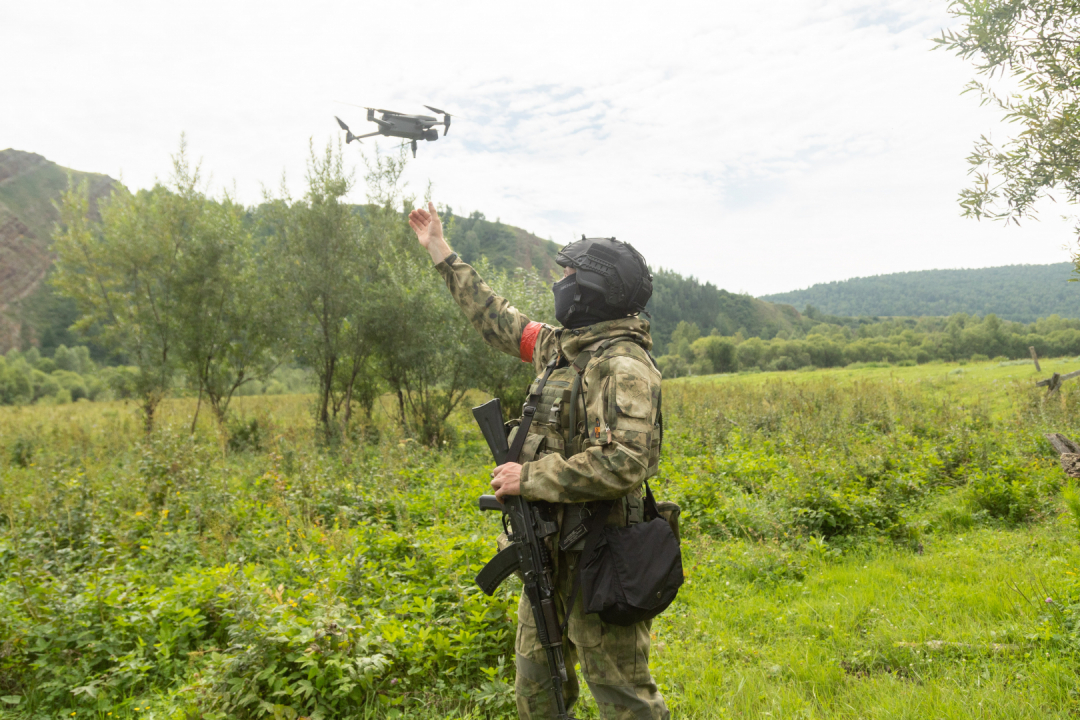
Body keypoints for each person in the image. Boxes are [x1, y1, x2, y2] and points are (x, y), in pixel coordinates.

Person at [409, 202, 669, 720]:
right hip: (545, 548)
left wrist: (529, 477)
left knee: (622, 697)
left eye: (571, 274)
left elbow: (627, 462)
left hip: (603, 556)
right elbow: (498, 320)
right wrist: (440, 252)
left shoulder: (622, 364)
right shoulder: (560, 348)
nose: (563, 282)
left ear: (598, 288)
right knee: (536, 692)